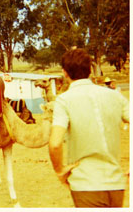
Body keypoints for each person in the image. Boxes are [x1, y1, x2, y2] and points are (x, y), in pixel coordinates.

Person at [49, 48, 129, 208]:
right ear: (90, 70)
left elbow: (55, 143)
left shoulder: (64, 100)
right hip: (116, 184)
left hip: (86, 185)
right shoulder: (115, 96)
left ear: (64, 73)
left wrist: (60, 171)